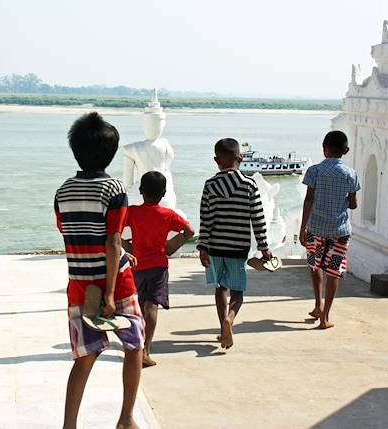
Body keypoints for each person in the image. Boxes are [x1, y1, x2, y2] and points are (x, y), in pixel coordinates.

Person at [54, 112, 145, 429]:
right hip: (114, 287)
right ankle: (126, 418)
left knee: (85, 357)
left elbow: (74, 235)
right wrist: (108, 290)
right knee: (134, 345)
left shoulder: (63, 191)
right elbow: (112, 240)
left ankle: (69, 426)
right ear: (111, 152)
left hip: (80, 286)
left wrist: (119, 255)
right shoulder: (114, 189)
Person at [198, 138, 272, 349]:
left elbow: (206, 218)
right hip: (238, 247)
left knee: (221, 287)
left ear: (216, 160)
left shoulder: (210, 185)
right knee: (237, 291)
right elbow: (257, 218)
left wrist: (203, 246)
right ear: (240, 158)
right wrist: (264, 247)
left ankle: (223, 325)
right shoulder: (249, 184)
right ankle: (230, 318)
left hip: (215, 246)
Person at [123, 170, 194, 367]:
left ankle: (134, 346)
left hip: (136, 265)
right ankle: (145, 350)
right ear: (163, 194)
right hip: (158, 266)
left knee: (139, 306)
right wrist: (171, 246)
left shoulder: (133, 212)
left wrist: (126, 246)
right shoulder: (168, 215)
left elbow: (114, 227)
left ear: (140, 190)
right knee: (152, 306)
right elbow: (190, 231)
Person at [299, 131, 360, 330]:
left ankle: (318, 304)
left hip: (315, 229)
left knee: (315, 266)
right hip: (340, 231)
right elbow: (353, 205)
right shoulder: (351, 174)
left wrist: (302, 228)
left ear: (324, 148)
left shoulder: (314, 171)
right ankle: (325, 317)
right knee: (334, 271)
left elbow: (308, 201)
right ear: (346, 151)